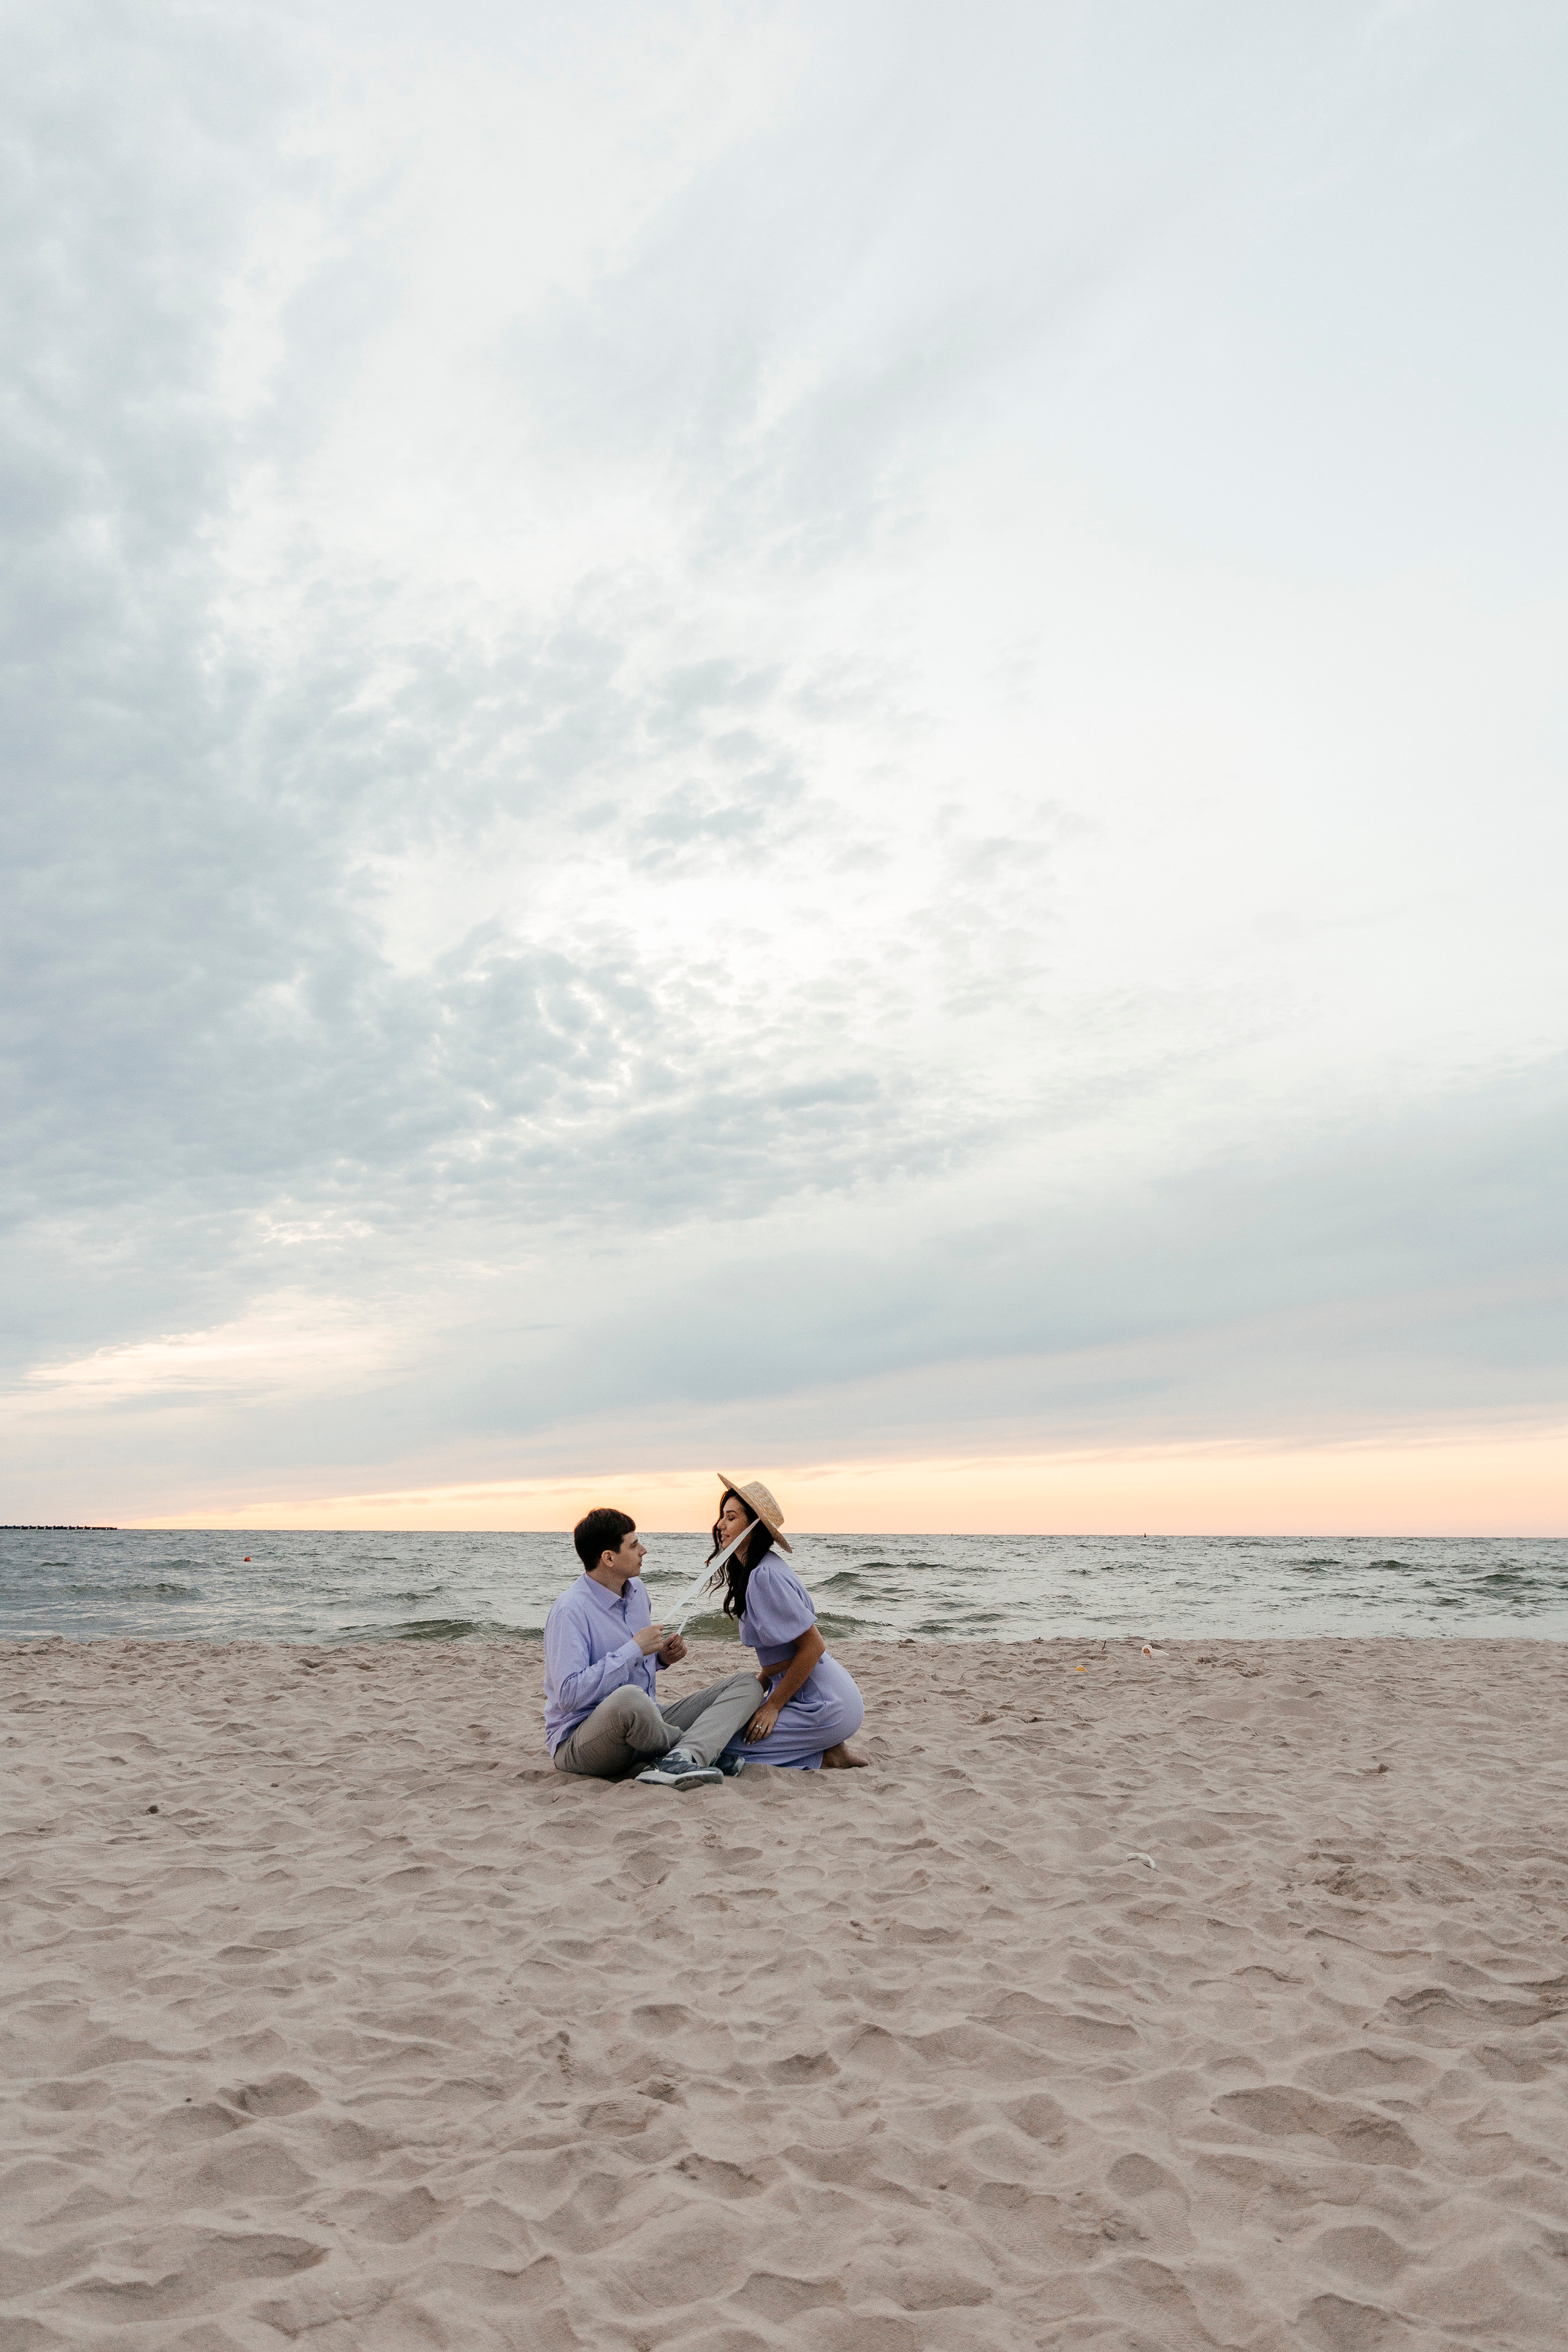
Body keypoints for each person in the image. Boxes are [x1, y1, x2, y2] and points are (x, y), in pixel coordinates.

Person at [543, 1507, 766, 1789]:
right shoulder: (570, 1610)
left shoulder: (637, 1592)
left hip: (647, 1720)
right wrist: (634, 1649)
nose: (643, 1551)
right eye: (634, 1545)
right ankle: (696, 1749)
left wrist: (661, 1658)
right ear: (608, 1558)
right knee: (630, 1700)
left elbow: (641, 1670)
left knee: (747, 1684)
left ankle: (683, 1756)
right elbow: (568, 1695)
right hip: (582, 1740)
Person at [708, 1474, 868, 1771]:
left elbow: (813, 1647)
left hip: (824, 1704)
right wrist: (758, 1692)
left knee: (718, 1746)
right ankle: (832, 1752)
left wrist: (772, 1707)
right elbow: (781, 1653)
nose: (720, 1525)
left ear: (754, 1526)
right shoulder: (756, 1570)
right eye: (722, 1517)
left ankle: (827, 1749)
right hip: (807, 1693)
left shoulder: (764, 1576)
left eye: (731, 1518)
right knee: (718, 1734)